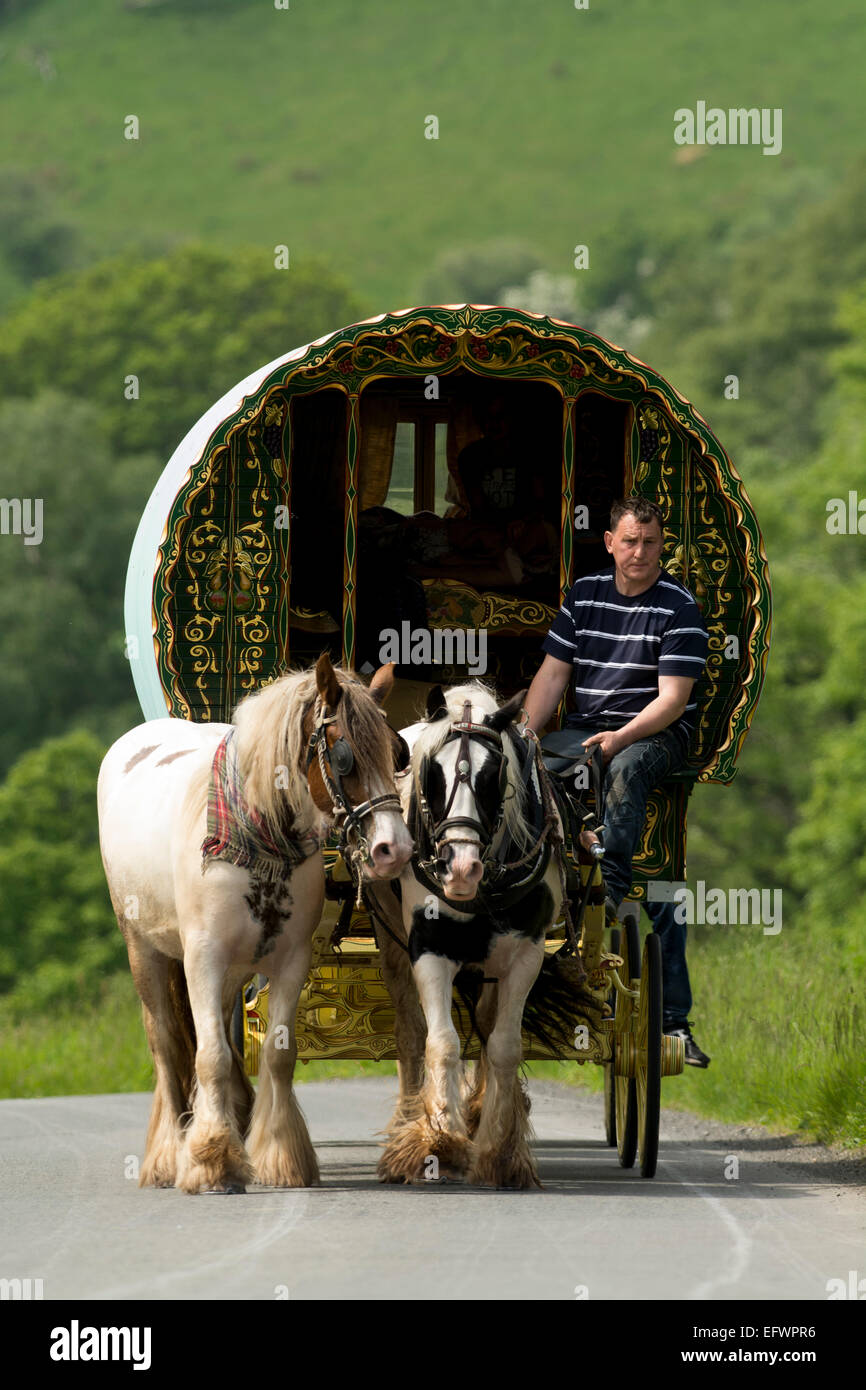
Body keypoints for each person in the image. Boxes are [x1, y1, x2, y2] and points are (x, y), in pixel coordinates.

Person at [521, 495, 711, 1067]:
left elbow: (673, 701)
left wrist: (620, 739)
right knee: (521, 769)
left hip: (657, 733)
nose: (639, 553)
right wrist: (526, 737)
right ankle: (536, 876)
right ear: (609, 543)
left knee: (624, 769)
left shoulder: (678, 606)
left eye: (650, 543)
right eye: (629, 542)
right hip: (585, 729)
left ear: (661, 546)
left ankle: (609, 882)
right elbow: (552, 678)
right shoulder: (583, 596)